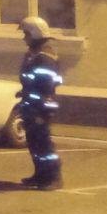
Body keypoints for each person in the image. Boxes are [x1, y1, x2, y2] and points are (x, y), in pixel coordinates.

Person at [18, 15, 63, 189]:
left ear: (35, 34)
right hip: (32, 104)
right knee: (34, 142)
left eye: (26, 34)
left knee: (44, 143)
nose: (24, 38)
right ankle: (40, 175)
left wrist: (38, 105)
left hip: (40, 107)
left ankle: (54, 178)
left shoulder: (45, 57)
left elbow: (46, 84)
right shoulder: (34, 55)